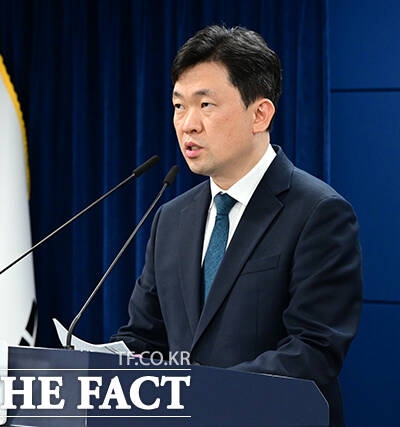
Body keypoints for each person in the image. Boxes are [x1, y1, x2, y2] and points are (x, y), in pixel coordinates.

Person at [111, 25, 362, 426]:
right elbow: (145, 337)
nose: (188, 124)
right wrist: (102, 366)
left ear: (259, 114)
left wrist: (203, 395)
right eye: (179, 106)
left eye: (205, 105)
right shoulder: (171, 218)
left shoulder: (319, 212)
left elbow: (313, 351)